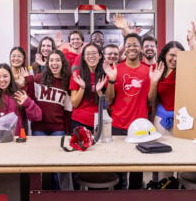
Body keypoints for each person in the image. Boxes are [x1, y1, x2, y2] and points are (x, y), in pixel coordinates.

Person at [104, 33, 152, 190]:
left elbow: (151, 100)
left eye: (135, 45)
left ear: (140, 48)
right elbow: (109, 100)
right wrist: (111, 80)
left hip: (140, 127)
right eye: (129, 45)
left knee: (137, 171)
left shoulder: (148, 71)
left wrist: (155, 81)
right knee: (119, 169)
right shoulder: (115, 69)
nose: (132, 47)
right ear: (125, 49)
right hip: (119, 124)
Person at [0, 63, 42, 137]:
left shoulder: (19, 94)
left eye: (5, 76)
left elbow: (37, 117)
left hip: (15, 139)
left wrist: (28, 103)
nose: (2, 80)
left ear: (10, 77)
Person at [149, 41, 185, 135]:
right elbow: (151, 100)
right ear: (165, 54)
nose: (175, 59)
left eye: (179, 56)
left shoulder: (185, 71)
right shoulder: (156, 69)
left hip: (182, 120)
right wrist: (154, 82)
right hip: (161, 120)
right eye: (172, 55)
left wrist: (193, 41)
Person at [32, 50, 72, 136]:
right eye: (51, 60)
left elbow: (68, 109)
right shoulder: (39, 78)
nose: (54, 63)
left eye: (58, 60)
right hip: (39, 127)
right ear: (48, 63)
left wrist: (68, 130)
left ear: (62, 63)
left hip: (58, 128)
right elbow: (31, 100)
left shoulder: (67, 81)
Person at [69, 43, 106, 132]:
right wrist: (82, 87)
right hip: (79, 121)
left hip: (100, 121)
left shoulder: (105, 75)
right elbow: (74, 103)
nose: (91, 56)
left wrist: (99, 91)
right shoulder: (77, 74)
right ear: (84, 57)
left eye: (94, 53)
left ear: (100, 55)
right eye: (88, 54)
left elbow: (108, 106)